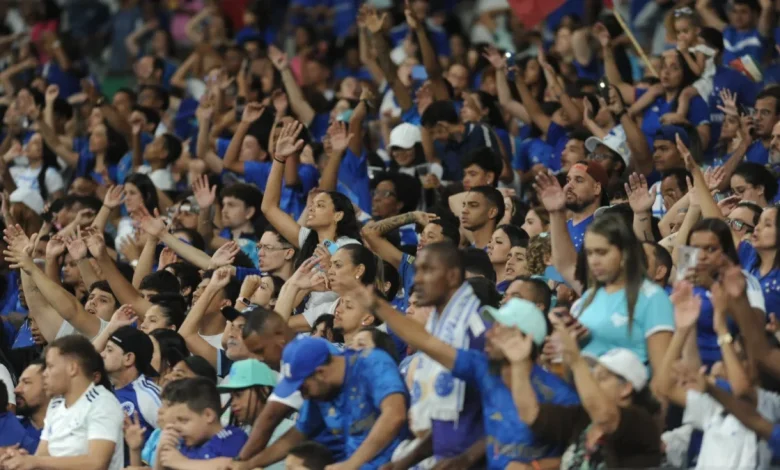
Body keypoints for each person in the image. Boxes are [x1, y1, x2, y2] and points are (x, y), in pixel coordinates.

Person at [351, 281, 580, 469]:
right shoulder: (485, 370)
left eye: (500, 327)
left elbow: (581, 452)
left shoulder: (557, 392)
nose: (490, 333)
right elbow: (429, 343)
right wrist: (378, 306)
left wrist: (536, 467)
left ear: (525, 338)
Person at [502, 321, 662, 468]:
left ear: (626, 388)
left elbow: (606, 417)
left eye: (601, 378)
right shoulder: (584, 418)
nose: (592, 384)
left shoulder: (642, 423)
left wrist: (576, 360)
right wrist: (519, 365)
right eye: (592, 377)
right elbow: (530, 413)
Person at [258, 336, 408, 469]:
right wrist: (249, 464)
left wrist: (351, 464)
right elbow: (297, 435)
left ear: (321, 373)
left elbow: (394, 415)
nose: (303, 396)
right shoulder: (322, 391)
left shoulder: (372, 363)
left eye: (303, 387)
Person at [2, 335, 125, 469]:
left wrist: (35, 461)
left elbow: (96, 463)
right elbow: (41, 457)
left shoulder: (102, 403)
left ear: (72, 368)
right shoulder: (56, 406)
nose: (45, 374)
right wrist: (17, 460)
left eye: (50, 366)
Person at [156, 377, 248, 467]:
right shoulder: (186, 444)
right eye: (175, 421)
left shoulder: (233, 437)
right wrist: (161, 451)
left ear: (208, 415)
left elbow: (229, 466)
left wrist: (182, 462)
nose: (177, 428)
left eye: (183, 420)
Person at [101, 325, 162, 442]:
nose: (102, 354)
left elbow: (178, 438)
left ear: (128, 358)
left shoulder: (147, 396)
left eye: (109, 350)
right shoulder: (105, 387)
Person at [13, 359, 49, 449]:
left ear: (49, 386)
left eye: (26, 382)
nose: (16, 390)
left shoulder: (70, 430)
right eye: (19, 383)